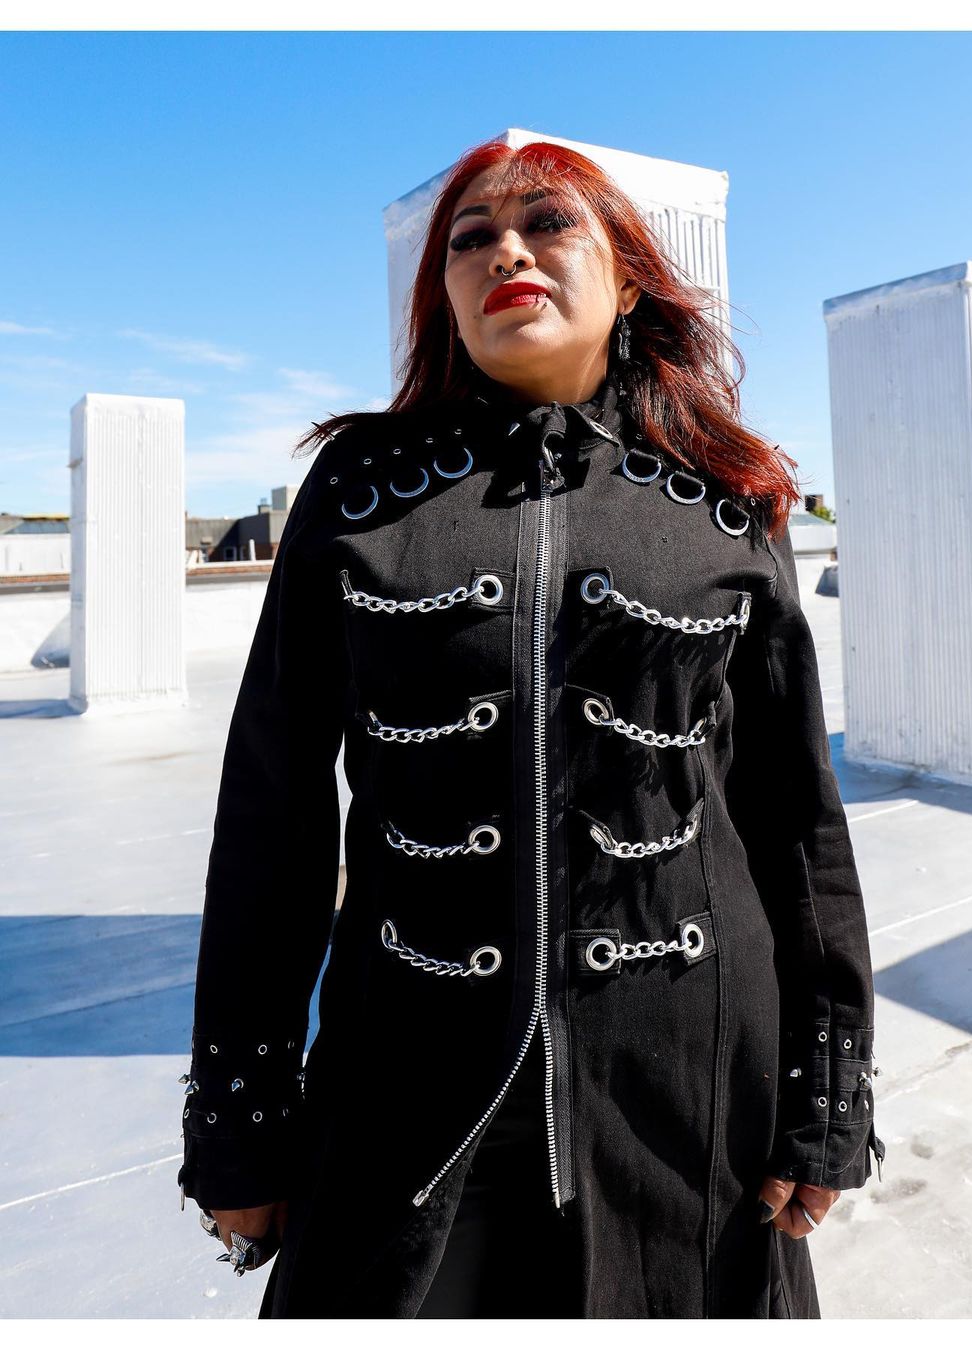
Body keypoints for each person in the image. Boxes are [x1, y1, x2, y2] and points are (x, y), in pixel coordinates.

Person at [177, 136, 885, 1319]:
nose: (505, 252)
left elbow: (793, 821)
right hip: (402, 1082)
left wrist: (828, 1090)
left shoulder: (728, 498)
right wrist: (240, 1110)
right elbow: (273, 814)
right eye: (471, 239)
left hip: (690, 1085)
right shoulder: (359, 490)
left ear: (629, 279)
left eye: (548, 223)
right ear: (445, 297)